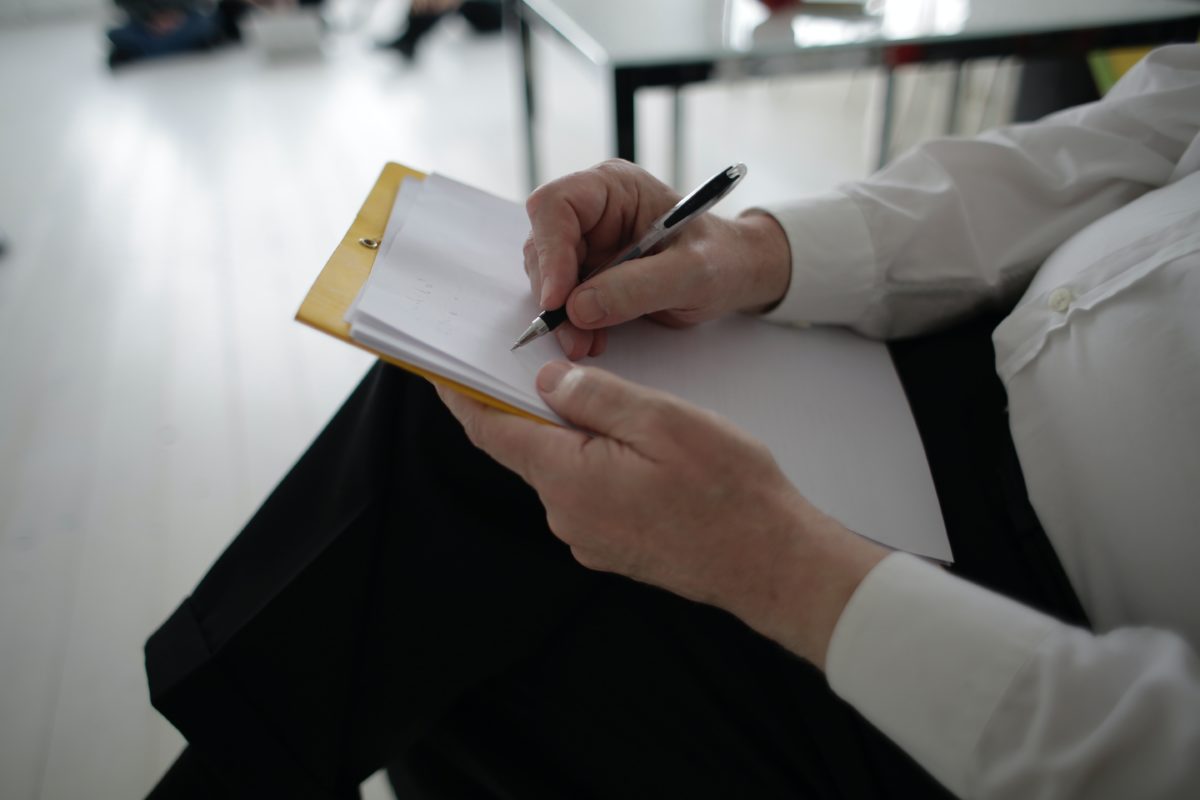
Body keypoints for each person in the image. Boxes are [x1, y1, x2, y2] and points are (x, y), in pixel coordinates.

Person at [146, 44, 1200, 798]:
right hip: (961, 361)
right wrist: (752, 253)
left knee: (487, 644)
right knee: (461, 402)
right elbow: (1120, 142)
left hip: (1042, 640)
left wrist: (778, 566)